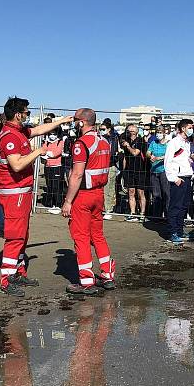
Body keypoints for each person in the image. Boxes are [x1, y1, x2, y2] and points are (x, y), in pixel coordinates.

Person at [0, 97, 72, 297]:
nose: (28, 116)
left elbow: (38, 130)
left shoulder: (19, 131)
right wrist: (39, 151)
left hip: (22, 192)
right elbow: (17, 165)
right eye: (26, 112)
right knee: (15, 237)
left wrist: (61, 121)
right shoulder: (9, 137)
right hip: (14, 194)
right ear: (18, 114)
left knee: (23, 235)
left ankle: (18, 272)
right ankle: (6, 279)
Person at [61, 108, 116, 295]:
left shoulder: (81, 143)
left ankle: (86, 281)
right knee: (98, 235)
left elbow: (76, 175)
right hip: (98, 194)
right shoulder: (104, 141)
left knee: (81, 237)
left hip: (83, 195)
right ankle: (108, 275)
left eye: (76, 120)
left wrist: (68, 201)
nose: (74, 123)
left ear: (82, 122)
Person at [164, 119, 194, 244]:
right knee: (175, 206)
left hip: (187, 177)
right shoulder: (174, 143)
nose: (191, 130)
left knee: (184, 206)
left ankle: (180, 230)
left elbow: (183, 159)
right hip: (178, 178)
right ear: (183, 128)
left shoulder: (186, 143)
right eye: (190, 127)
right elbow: (168, 161)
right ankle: (173, 232)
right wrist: (174, 178)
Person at [120, 124, 147, 222]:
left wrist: (128, 146)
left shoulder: (140, 141)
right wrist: (124, 171)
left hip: (140, 170)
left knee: (140, 193)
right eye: (127, 131)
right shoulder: (126, 141)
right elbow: (125, 157)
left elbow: (135, 152)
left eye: (130, 131)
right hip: (129, 170)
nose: (128, 132)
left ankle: (142, 214)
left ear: (135, 132)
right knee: (131, 192)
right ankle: (133, 213)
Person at [147, 127, 169, 219]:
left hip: (164, 171)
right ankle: (157, 216)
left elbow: (170, 155)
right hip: (154, 171)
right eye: (157, 132)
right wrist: (150, 155)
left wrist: (158, 158)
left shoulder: (168, 144)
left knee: (166, 193)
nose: (158, 134)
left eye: (160, 132)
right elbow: (148, 152)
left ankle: (168, 215)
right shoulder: (153, 143)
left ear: (164, 133)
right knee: (156, 195)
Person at [100, 118, 119, 220]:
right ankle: (101, 208)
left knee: (109, 188)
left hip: (110, 166)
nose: (101, 130)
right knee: (101, 189)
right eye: (100, 129)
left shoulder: (113, 138)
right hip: (100, 167)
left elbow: (113, 153)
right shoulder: (99, 138)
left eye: (103, 129)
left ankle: (108, 209)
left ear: (108, 129)